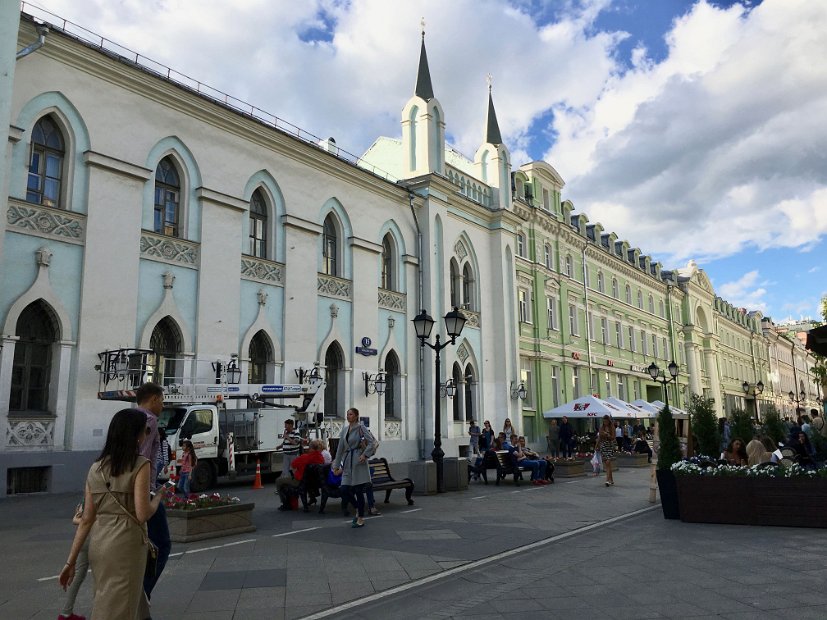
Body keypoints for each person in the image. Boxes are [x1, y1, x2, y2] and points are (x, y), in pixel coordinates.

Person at [59, 408, 167, 619]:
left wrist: (70, 562)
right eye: (144, 430)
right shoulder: (140, 464)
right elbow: (142, 513)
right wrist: (159, 496)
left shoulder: (96, 468)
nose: (146, 434)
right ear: (135, 434)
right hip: (126, 543)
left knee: (112, 596)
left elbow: (87, 519)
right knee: (118, 607)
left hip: (100, 541)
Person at [135, 382, 171, 615]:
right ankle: (143, 592)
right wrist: (152, 491)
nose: (163, 405)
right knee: (162, 544)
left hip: (118, 488)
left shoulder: (127, 416)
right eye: (163, 400)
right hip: (144, 490)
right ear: (155, 399)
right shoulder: (149, 421)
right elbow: (143, 457)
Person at [333, 408, 377, 528]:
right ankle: (358, 508)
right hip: (347, 461)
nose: (348, 416)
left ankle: (361, 518)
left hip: (358, 461)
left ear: (356, 416)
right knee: (344, 489)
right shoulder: (345, 430)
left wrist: (364, 455)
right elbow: (339, 449)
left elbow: (372, 442)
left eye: (351, 414)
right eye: (347, 414)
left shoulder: (361, 428)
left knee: (358, 490)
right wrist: (336, 466)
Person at [58, 499, 92, 620]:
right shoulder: (103, 489)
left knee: (79, 575)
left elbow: (77, 517)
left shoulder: (86, 496)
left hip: (82, 538)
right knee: (102, 577)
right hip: (95, 538)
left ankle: (66, 613)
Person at [276, 439, 325, 511]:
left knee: (278, 481)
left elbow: (293, 465)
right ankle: (312, 497)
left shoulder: (304, 457)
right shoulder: (321, 458)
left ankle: (285, 504)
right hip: (315, 482)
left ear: (310, 448)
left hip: (300, 481)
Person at [598, 415, 616, 486]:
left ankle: (607, 480)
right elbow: (599, 437)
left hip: (610, 446)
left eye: (606, 421)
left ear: (609, 421)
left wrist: (608, 435)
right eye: (604, 421)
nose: (605, 422)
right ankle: (611, 480)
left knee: (608, 462)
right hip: (604, 446)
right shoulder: (602, 427)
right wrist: (597, 446)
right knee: (608, 464)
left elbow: (613, 437)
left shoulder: (612, 427)